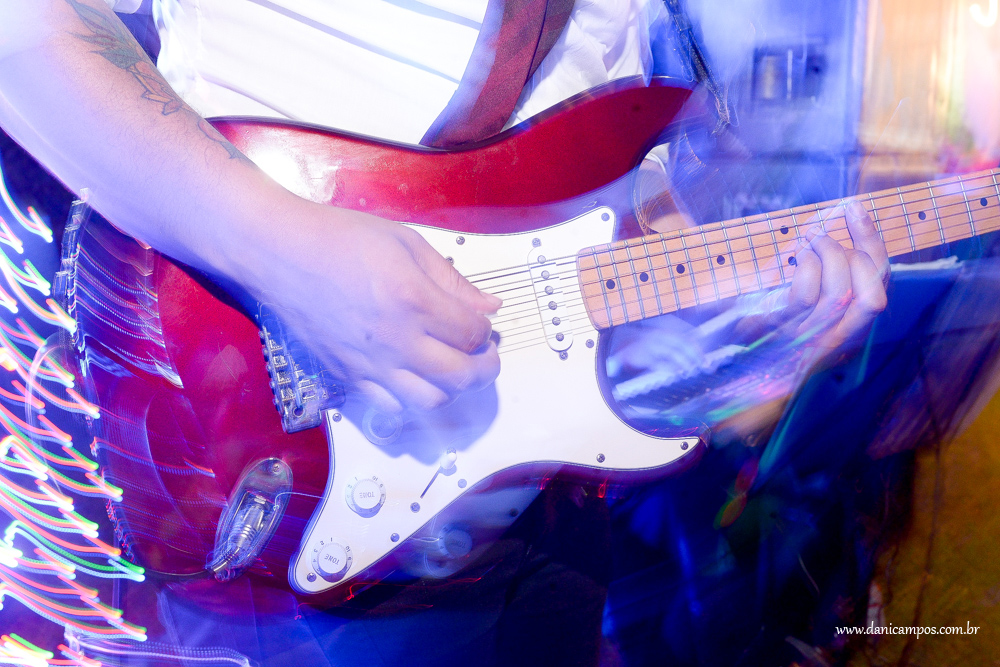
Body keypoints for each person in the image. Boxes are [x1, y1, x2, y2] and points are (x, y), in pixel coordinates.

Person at [0, 1, 890, 664]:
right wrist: (280, 249)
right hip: (266, 424)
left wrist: (735, 331)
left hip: (543, 486)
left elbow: (628, 112)